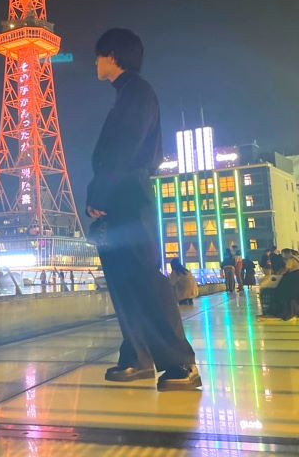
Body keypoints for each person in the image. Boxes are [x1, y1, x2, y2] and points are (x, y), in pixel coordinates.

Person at [86, 28, 200, 391]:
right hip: (119, 194)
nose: (95, 62)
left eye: (98, 55)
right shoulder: (127, 95)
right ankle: (137, 356)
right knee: (123, 280)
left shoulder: (137, 93)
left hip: (128, 195)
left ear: (112, 56)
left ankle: (181, 363)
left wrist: (100, 193)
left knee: (145, 277)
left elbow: (126, 149)